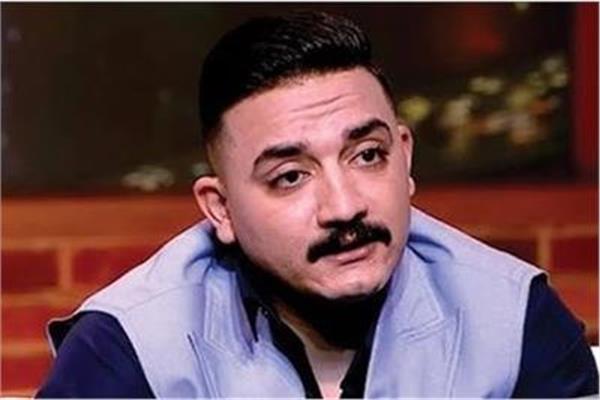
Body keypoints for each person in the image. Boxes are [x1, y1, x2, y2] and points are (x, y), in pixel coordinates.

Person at [38, 11, 598, 398]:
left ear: (405, 158)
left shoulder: (513, 318)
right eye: (290, 177)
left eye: (367, 155)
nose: (344, 207)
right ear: (221, 210)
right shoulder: (130, 346)